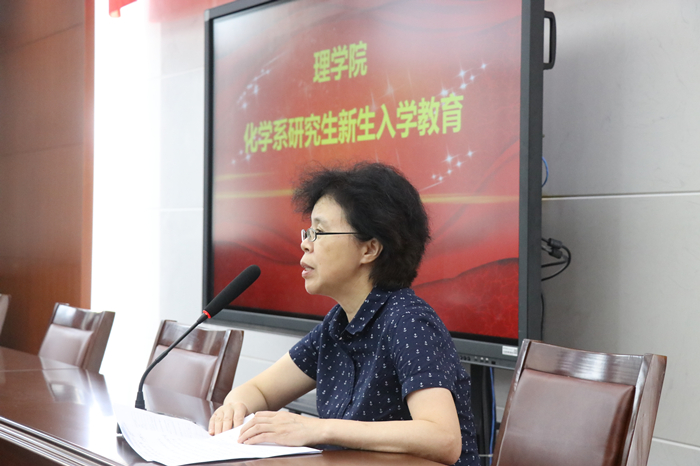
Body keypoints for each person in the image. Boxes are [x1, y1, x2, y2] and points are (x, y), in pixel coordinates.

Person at [209, 162, 480, 466]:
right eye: (308, 232)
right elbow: (260, 390)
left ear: (369, 249)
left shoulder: (408, 321)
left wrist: (319, 429)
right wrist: (235, 406)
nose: (305, 244)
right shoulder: (338, 323)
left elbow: (443, 438)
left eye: (320, 232)